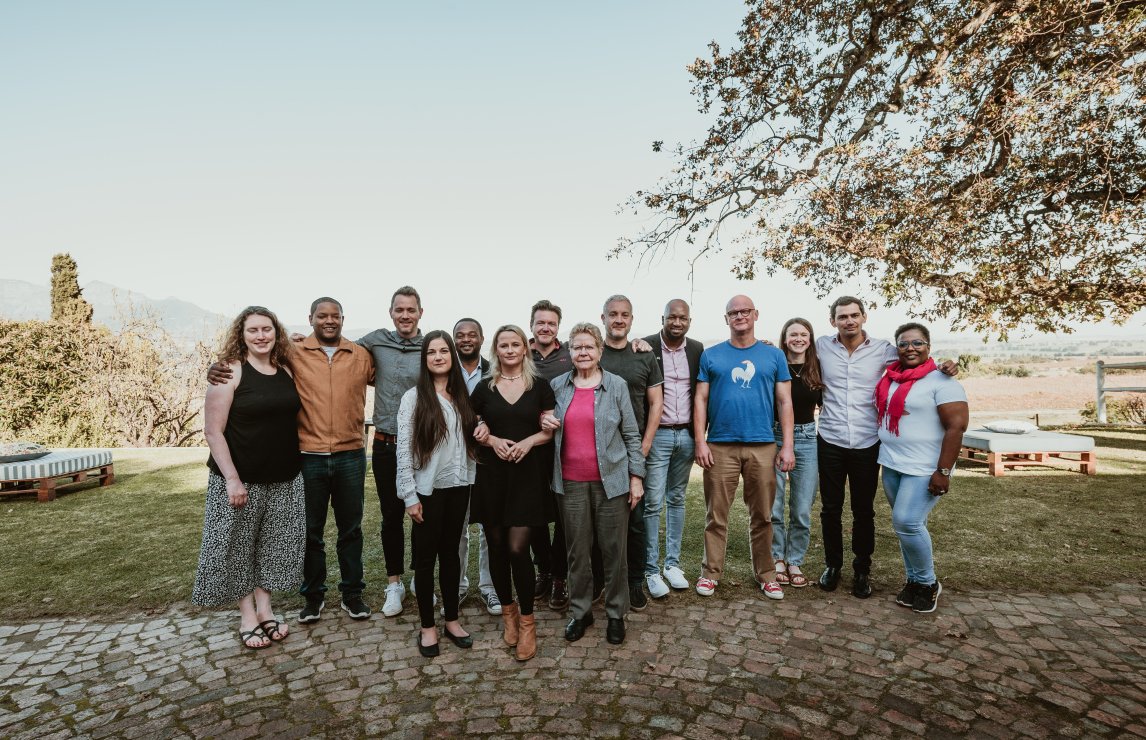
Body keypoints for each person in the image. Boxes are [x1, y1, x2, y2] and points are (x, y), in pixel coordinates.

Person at [207, 298, 375, 623]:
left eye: (335, 316)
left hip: (351, 454)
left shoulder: (361, 355)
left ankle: (353, 595)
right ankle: (313, 597)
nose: (329, 321)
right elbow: (251, 363)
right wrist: (215, 367)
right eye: (321, 315)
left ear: (343, 318)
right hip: (308, 456)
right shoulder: (293, 354)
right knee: (309, 532)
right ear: (310, 318)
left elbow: (394, 376)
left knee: (350, 530)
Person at [815, 296, 957, 598]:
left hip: (868, 441)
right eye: (842, 317)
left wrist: (947, 364)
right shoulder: (822, 346)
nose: (849, 321)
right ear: (833, 321)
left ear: (864, 317)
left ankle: (862, 570)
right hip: (830, 438)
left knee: (863, 510)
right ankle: (833, 565)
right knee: (830, 509)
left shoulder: (884, 350)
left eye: (854, 315)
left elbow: (917, 357)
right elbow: (793, 351)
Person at [193, 306, 304, 649]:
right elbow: (213, 431)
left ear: (276, 332)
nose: (261, 336)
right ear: (241, 334)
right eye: (253, 330)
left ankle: (267, 611)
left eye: (267, 329)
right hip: (241, 479)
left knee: (273, 547)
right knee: (239, 548)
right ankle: (247, 617)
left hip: (285, 477)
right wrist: (231, 479)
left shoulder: (285, 367)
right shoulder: (229, 372)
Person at [545, 323, 645, 645]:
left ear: (600, 351)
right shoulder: (557, 386)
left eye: (589, 347)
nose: (583, 352)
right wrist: (542, 420)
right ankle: (581, 611)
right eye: (577, 347)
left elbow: (631, 434)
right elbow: (544, 422)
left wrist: (636, 478)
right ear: (569, 352)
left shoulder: (616, 386)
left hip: (611, 484)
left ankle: (616, 615)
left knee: (614, 552)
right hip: (571, 484)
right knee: (578, 553)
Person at [693, 295, 795, 600]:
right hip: (720, 446)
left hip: (763, 446)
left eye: (745, 311)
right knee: (716, 515)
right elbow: (699, 399)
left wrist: (786, 446)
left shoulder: (773, 356)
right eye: (733, 312)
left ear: (755, 314)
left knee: (763, 515)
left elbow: (785, 401)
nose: (740, 316)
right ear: (726, 318)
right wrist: (701, 440)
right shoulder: (711, 356)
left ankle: (766, 574)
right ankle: (710, 573)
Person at [469, 325, 556, 661]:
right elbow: (473, 425)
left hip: (527, 476)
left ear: (525, 349)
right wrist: (490, 439)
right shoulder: (483, 388)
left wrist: (527, 442)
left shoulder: (540, 387)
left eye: (515, 344)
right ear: (496, 350)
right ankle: (508, 614)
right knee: (496, 546)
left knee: (519, 548)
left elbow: (548, 431)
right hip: (492, 475)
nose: (509, 350)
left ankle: (528, 622)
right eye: (503, 345)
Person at [876, 323, 968, 614]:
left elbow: (956, 427)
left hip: (925, 467)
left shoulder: (942, 381)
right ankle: (913, 581)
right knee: (908, 527)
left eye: (917, 343)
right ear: (897, 348)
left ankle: (928, 583)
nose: (910, 348)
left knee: (907, 522)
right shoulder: (891, 379)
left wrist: (944, 471)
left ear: (929, 346)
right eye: (903, 344)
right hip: (892, 463)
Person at [397, 331, 479, 657]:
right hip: (426, 490)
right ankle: (427, 626)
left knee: (451, 556)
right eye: (432, 352)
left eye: (444, 351)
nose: (438, 357)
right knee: (426, 558)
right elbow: (404, 451)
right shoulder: (414, 398)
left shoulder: (462, 396)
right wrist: (409, 495)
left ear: (452, 356)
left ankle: (452, 620)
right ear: (425, 358)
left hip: (458, 486)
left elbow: (467, 443)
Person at [358, 286, 425, 617]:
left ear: (420, 313)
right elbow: (340, 355)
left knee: (422, 515)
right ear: (391, 312)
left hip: (420, 446)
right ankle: (394, 583)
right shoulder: (375, 340)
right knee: (391, 516)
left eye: (411, 309)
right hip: (385, 443)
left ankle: (419, 577)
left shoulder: (430, 347)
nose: (405, 315)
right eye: (399, 309)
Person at [598, 295, 663, 610]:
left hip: (635, 451)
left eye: (624, 314)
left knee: (636, 519)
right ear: (604, 318)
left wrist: (646, 444)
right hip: (600, 454)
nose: (619, 319)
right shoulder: (594, 354)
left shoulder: (644, 356)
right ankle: (600, 579)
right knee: (600, 521)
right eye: (613, 314)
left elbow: (655, 403)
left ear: (632, 319)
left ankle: (635, 582)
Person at [641, 299, 703, 594]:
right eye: (672, 317)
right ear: (662, 318)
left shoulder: (697, 349)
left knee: (677, 499)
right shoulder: (645, 346)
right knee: (653, 502)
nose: (677, 322)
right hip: (659, 435)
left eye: (683, 318)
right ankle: (651, 570)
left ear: (689, 320)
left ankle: (672, 564)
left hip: (687, 436)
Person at [525, 299, 573, 610]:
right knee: (533, 514)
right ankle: (542, 568)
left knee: (567, 514)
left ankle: (559, 576)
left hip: (565, 445)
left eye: (551, 323)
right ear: (531, 325)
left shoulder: (569, 354)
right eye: (540, 322)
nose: (545, 327)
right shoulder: (519, 352)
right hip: (529, 447)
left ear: (558, 327)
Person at [452, 318, 501, 615]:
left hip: (487, 461)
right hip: (454, 460)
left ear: (482, 338)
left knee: (489, 527)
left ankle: (490, 587)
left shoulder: (494, 372)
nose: (467, 339)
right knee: (457, 528)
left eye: (472, 334)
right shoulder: (445, 370)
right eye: (460, 335)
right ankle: (456, 586)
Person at [771, 318, 824, 589]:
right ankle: (776, 558)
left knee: (802, 508)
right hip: (774, 435)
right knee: (774, 505)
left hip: (806, 438)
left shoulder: (817, 369)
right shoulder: (774, 363)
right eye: (793, 334)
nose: (799, 339)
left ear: (810, 339)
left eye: (804, 334)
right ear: (785, 337)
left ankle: (794, 560)